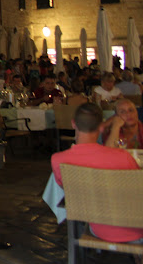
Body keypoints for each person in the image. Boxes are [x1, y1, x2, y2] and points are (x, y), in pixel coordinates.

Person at [51, 103, 143, 247]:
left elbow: (67, 192)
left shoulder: (58, 160)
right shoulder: (123, 157)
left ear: (73, 124)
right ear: (101, 127)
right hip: (137, 228)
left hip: (99, 229)